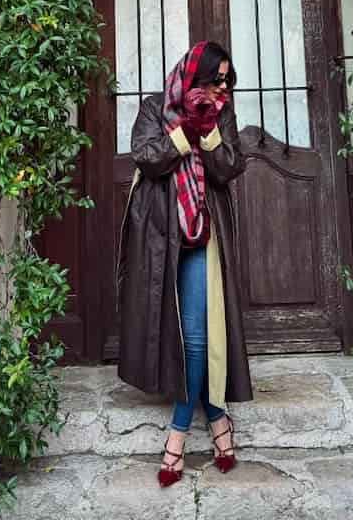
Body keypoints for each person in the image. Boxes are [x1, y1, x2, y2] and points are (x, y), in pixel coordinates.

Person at [116, 40, 252, 487]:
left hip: (202, 234)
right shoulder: (155, 107)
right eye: (216, 80)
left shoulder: (222, 113)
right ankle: (216, 418)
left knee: (198, 334)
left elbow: (230, 167)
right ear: (195, 75)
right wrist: (184, 131)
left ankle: (178, 433)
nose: (221, 88)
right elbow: (147, 158)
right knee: (173, 329)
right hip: (161, 235)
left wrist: (208, 128)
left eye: (226, 82)